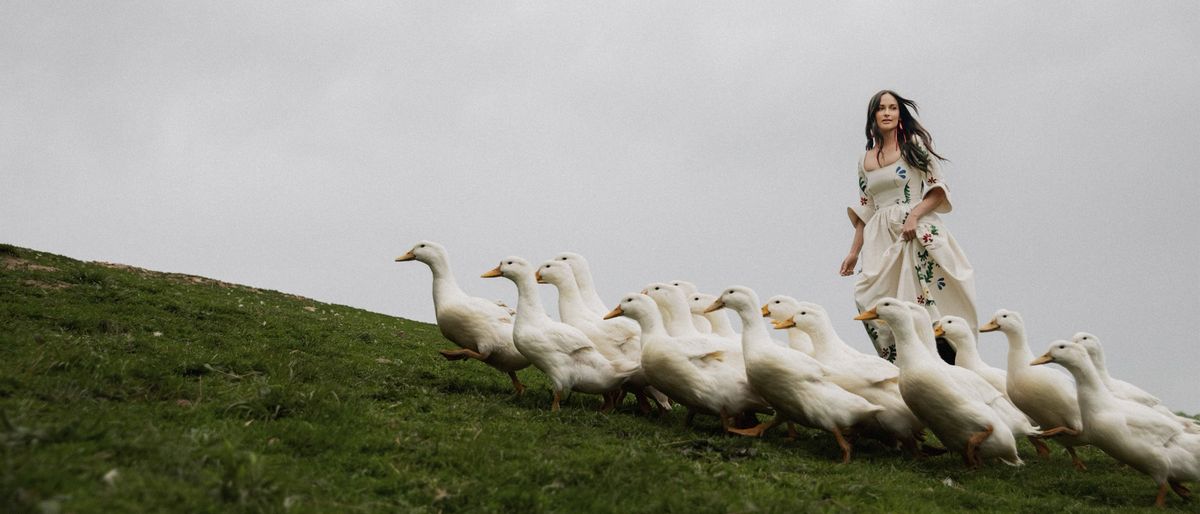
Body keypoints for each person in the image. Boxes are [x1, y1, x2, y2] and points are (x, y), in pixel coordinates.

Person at [839, 90, 978, 363]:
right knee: (874, 299)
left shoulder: (912, 145)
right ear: (873, 116)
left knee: (925, 302)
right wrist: (854, 251)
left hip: (915, 231)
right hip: (880, 237)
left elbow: (938, 189)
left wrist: (914, 216)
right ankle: (904, 366)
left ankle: (950, 361)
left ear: (900, 114)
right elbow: (867, 206)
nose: (888, 113)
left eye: (893, 108)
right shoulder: (864, 159)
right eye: (882, 108)